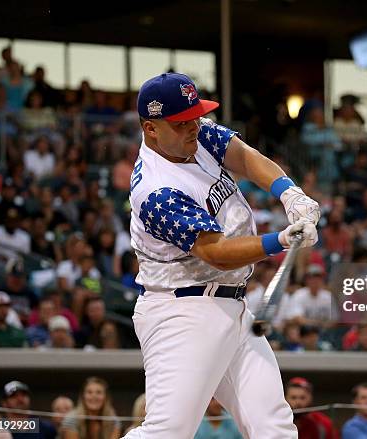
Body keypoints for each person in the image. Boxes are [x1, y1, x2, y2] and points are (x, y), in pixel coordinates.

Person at [121, 72, 320, 439]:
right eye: (181, 123)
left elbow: (244, 157)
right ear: (150, 129)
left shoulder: (194, 133)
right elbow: (216, 252)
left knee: (273, 425)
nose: (193, 127)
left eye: (196, 117)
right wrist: (279, 239)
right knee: (167, 432)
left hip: (231, 305)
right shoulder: (156, 190)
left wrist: (290, 193)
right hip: (182, 312)